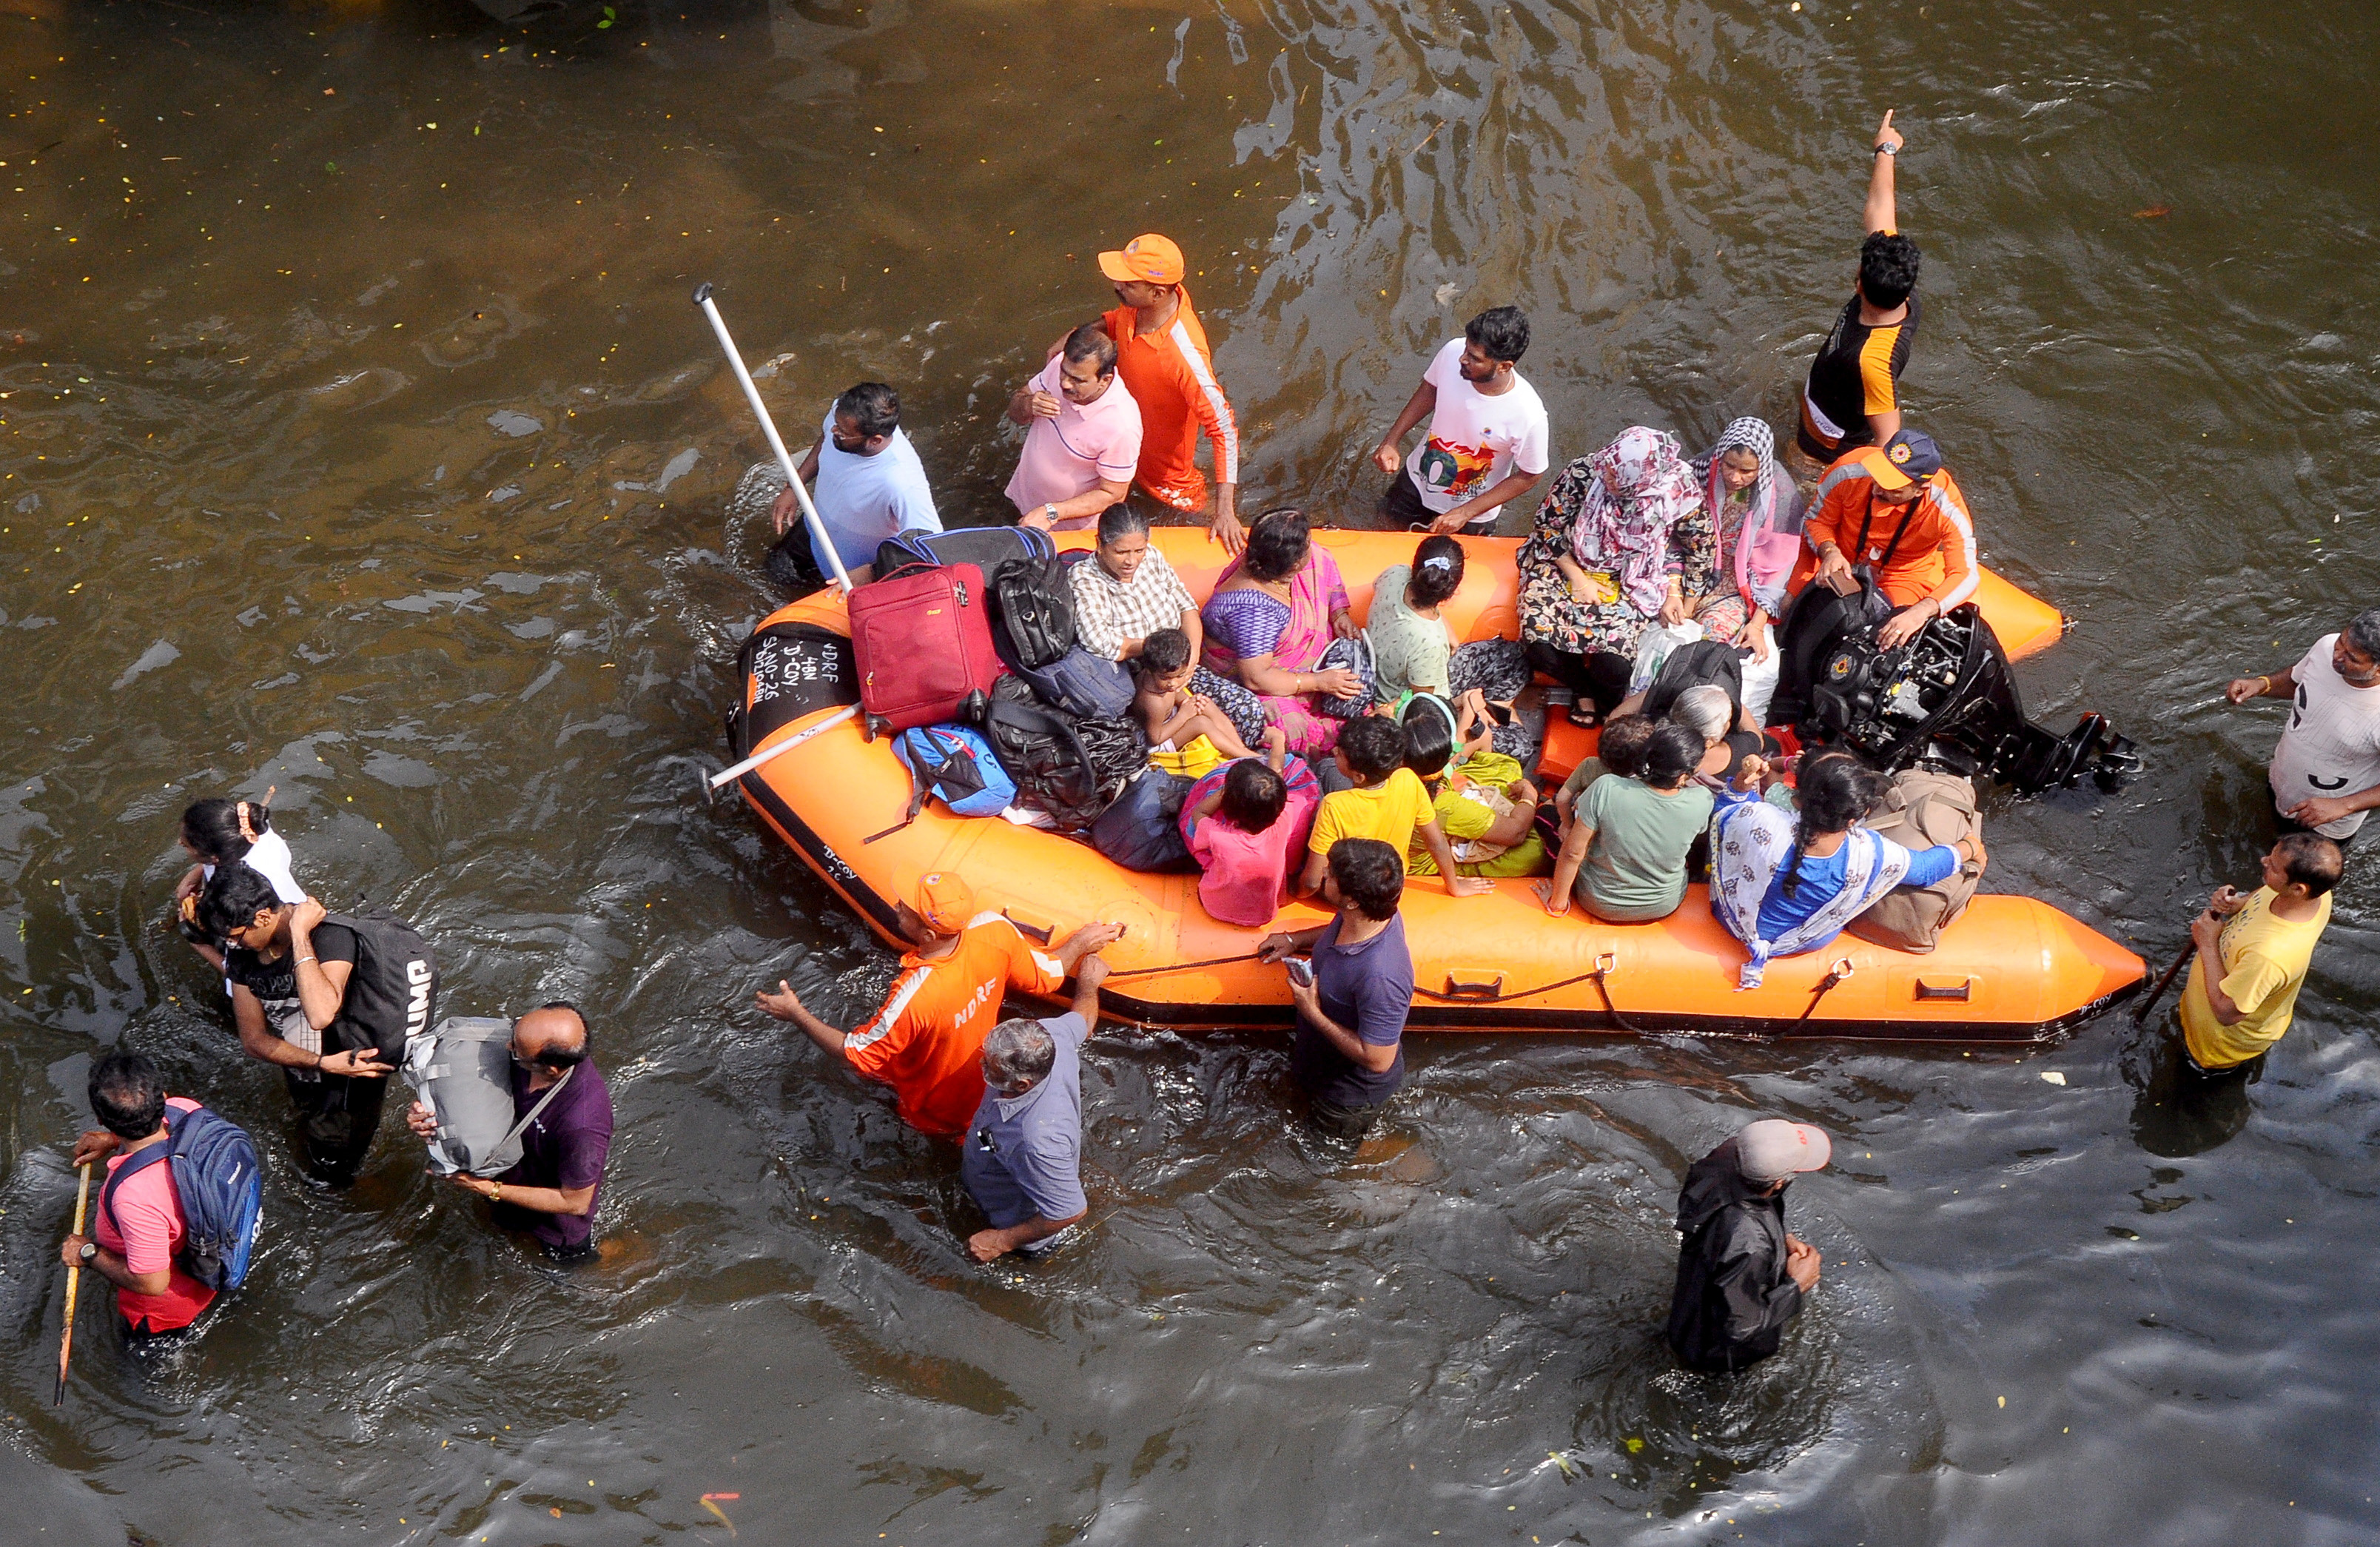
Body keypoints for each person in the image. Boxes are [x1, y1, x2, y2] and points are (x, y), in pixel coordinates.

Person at [755, 873, 1123, 1140]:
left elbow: (858, 1055)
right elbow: (1047, 976)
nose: (898, 904)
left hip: (935, 1111)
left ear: (928, 935)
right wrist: (1079, 943)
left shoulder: (915, 995)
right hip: (996, 1089)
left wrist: (796, 1014)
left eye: (906, 908)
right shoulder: (994, 930)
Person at [1708, 753, 1982, 987]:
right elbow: (1925, 870)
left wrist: (1744, 784)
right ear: (1855, 816)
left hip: (1731, 919)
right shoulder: (1870, 853)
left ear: (1798, 798)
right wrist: (1968, 847)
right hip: (1799, 942)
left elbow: (1728, 807)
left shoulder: (1761, 819)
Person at [198, 866, 394, 1184]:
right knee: (309, 1126)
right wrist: (320, 1063)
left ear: (262, 918)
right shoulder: (244, 957)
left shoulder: (330, 937)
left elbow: (320, 1014)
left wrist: (300, 935)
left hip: (354, 1068)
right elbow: (253, 1039)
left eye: (234, 937)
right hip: (309, 1064)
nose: (232, 946)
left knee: (334, 1162)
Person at [1517, 427, 1709, 725]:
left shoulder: (1676, 492)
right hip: (1567, 560)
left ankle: (1607, 701)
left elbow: (1700, 548)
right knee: (1539, 644)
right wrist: (1579, 579)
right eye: (1607, 471)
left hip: (1633, 576)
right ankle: (1583, 691)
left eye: (1615, 479)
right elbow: (1547, 527)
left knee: (1615, 665)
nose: (1605, 478)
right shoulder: (1586, 472)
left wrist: (1680, 598)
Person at [403, 1004, 615, 1261]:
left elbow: (575, 1202)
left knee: (572, 1268)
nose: (506, 1047)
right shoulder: (525, 1052)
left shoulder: (582, 1123)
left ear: (551, 1070)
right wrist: (425, 1114)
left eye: (517, 1051)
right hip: (503, 1177)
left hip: (551, 1223)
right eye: (514, 1035)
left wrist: (485, 1188)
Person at [1092, 233, 1244, 552]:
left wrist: (1225, 511)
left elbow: (1224, 428)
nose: (1117, 286)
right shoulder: (1136, 306)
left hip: (1164, 479)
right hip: (1119, 448)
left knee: (1185, 515)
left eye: (1127, 283)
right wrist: (1073, 340)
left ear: (1158, 292)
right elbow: (1112, 321)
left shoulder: (1184, 355)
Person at [1257, 838, 1416, 1141]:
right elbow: (1338, 925)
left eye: (1330, 874)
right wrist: (1295, 940)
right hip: (1318, 1065)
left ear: (1354, 900)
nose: (1323, 875)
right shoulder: (1367, 914)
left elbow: (1379, 1060)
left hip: (1345, 1101)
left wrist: (1311, 1012)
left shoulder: (1381, 976)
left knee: (1322, 1165)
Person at [960, 956, 1109, 1264]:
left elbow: (1070, 1211)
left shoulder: (1036, 1142)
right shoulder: (1048, 1036)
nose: (981, 1065)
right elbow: (1083, 1020)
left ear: (1023, 1084)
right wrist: (1088, 985)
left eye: (990, 1067)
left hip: (1014, 1225)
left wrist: (1001, 1241)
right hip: (991, 1173)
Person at [1793, 111, 1920, 469]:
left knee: (1802, 467)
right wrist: (1886, 149)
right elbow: (1881, 208)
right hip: (1832, 394)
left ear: (1859, 283)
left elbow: (1888, 440)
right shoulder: (1897, 280)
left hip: (1832, 436)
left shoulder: (1873, 363)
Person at [61, 1051, 219, 1336]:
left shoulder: (134, 1198)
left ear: (99, 1118)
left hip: (167, 1318)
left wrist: (88, 1252)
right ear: (162, 1096)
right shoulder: (185, 1111)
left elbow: (153, 1284)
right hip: (216, 1270)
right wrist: (113, 1140)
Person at [1665, 1118, 1831, 1373]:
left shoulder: (1718, 1163)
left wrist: (1781, 1239)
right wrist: (1797, 1285)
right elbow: (1740, 1326)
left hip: (1686, 1314)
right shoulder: (1750, 1244)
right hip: (1716, 1356)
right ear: (1777, 1183)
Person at [1371, 306, 1551, 534]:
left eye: (1474, 358)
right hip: (1416, 483)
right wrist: (1391, 441)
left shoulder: (1528, 415)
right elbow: (1429, 389)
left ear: (1504, 366)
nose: (1462, 359)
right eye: (1466, 349)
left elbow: (1530, 475)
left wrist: (1465, 513)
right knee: (1385, 533)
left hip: (1471, 514)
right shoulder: (1452, 352)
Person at [1200, 508, 1363, 759]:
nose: (1313, 546)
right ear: (1294, 564)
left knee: (1321, 556)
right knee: (1290, 725)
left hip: (1300, 664)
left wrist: (1339, 614)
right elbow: (1256, 678)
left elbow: (1323, 566)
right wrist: (1319, 682)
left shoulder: (1276, 559)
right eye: (1307, 545)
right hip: (1257, 682)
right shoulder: (1254, 609)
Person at [2176, 834, 2342, 1077]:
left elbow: (2226, 1013)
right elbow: (2263, 895)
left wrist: (2208, 944)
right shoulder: (2316, 895)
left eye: (2273, 866)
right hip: (2203, 1007)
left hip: (2215, 1045)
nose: (2264, 861)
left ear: (2298, 889)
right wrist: (2237, 904)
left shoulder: (2271, 956)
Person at [1801, 427, 1977, 648]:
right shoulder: (1848, 470)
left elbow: (1966, 574)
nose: (1878, 489)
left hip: (1901, 576)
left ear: (1920, 490)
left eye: (1893, 488)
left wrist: (1921, 611)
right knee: (1792, 607)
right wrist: (1829, 552)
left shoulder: (1947, 507)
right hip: (1839, 560)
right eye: (1878, 476)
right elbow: (1815, 521)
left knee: (1889, 641)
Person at [762, 382, 941, 590]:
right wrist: (794, 485)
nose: (834, 430)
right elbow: (826, 439)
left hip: (849, 575)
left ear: (875, 440)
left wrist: (872, 570)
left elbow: (929, 547)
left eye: (843, 432)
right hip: (812, 532)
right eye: (835, 424)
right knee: (770, 577)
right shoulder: (843, 417)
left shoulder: (901, 483)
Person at [2223, 612, 2380, 842]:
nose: (2337, 656)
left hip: (2323, 821)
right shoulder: (2326, 647)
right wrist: (2262, 685)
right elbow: (2299, 680)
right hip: (2282, 780)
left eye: (2352, 658)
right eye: (2341, 644)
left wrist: (2343, 806)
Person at [1541, 722, 1715, 923]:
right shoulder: (1703, 799)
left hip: (1599, 902)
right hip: (1664, 904)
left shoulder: (1606, 787)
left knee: (1545, 814)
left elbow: (1573, 853)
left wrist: (1557, 903)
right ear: (1683, 775)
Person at [1300, 714, 1488, 897]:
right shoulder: (1409, 779)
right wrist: (1454, 886)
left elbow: (1311, 883)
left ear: (1359, 777)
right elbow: (1436, 842)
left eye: (1339, 754)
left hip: (1350, 895)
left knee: (1320, 772)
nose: (1334, 752)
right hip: (1390, 889)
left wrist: (1295, 892)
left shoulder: (1334, 805)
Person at [1685, 418, 1806, 662]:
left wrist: (1758, 624)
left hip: (1740, 584)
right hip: (1694, 565)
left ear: (1761, 467)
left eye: (1747, 472)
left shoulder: (1782, 496)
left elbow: (1777, 567)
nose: (1735, 477)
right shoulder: (1701, 468)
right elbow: (1678, 534)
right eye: (1729, 466)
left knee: (1710, 645)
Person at [1006, 323, 1141, 531]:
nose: (1066, 384)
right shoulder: (1061, 366)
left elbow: (1112, 494)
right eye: (1064, 373)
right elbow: (1015, 410)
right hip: (1023, 499)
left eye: (1078, 380)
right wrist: (1028, 404)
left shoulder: (1122, 427)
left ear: (1104, 381)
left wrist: (1051, 512)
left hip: (1067, 529)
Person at [1399, 696, 1548, 879]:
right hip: (1428, 861)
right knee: (1533, 853)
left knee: (1506, 767)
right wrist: (1529, 796)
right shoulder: (1444, 806)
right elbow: (1516, 833)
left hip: (1441, 793)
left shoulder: (1395, 762)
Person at [1180, 746, 1322, 927]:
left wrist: (1224, 791)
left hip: (1215, 908)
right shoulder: (1287, 816)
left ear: (1229, 807)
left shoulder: (1218, 835)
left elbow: (1198, 812)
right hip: (1267, 913)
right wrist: (1278, 742)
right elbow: (1283, 791)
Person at [171, 793, 304, 976]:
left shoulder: (250, 893)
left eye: (186, 845)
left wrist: (198, 943)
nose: (180, 843)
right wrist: (194, 875)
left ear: (215, 857)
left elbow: (243, 975)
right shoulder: (247, 830)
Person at [1368, 535, 1462, 704]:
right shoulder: (1431, 643)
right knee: (1511, 663)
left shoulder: (1395, 573)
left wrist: (1444, 627)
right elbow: (1422, 699)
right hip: (1393, 699)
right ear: (1451, 590)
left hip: (1376, 669)